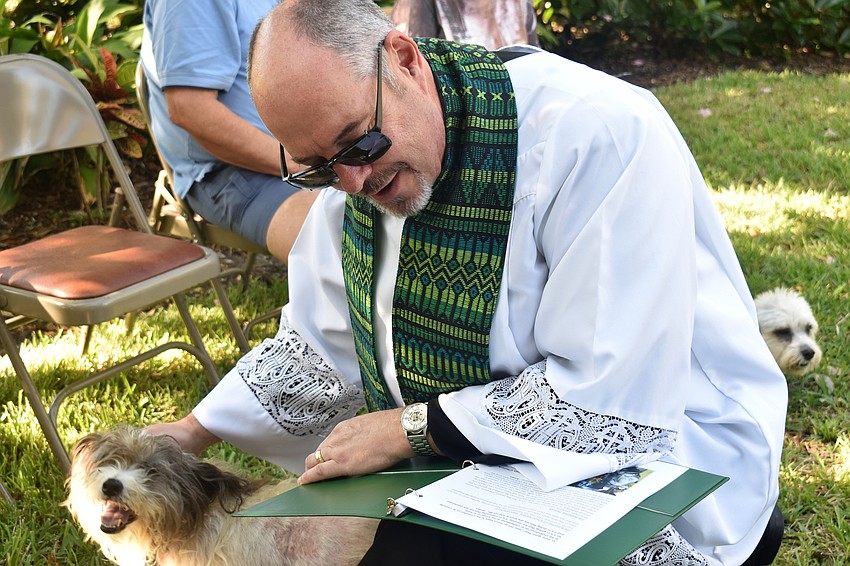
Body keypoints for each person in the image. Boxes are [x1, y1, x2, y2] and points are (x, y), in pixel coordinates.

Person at [149, 0, 788, 564]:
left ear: (404, 59)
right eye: (318, 168)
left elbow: (609, 397)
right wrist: (195, 431)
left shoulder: (594, 132)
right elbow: (324, 345)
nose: (352, 184)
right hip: (477, 466)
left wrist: (409, 428)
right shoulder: (353, 179)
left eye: (359, 145)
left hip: (662, 460)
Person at [139, 0, 318, 262]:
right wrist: (306, 164)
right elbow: (190, 110)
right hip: (232, 170)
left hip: (312, 149)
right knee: (344, 242)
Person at [390, 0, 540, 50]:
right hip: (460, 111)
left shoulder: (520, 3)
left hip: (517, 102)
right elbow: (415, 65)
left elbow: (534, 57)